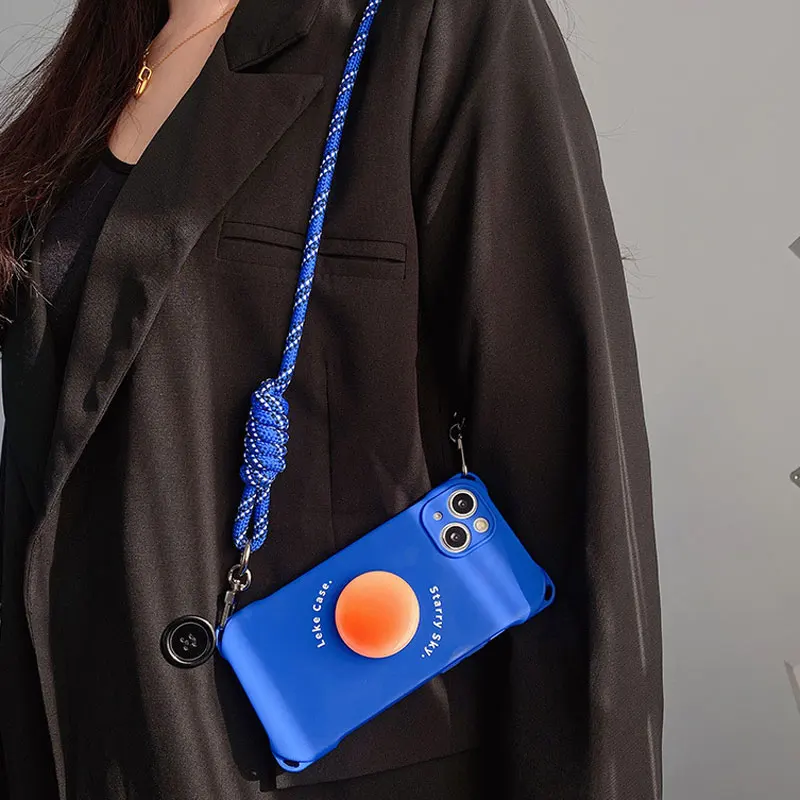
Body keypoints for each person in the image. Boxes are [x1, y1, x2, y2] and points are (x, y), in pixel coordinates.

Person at [0, 0, 663, 798]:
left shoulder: (439, 21)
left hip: (303, 762)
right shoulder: (114, 49)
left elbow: (570, 465)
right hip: (81, 749)